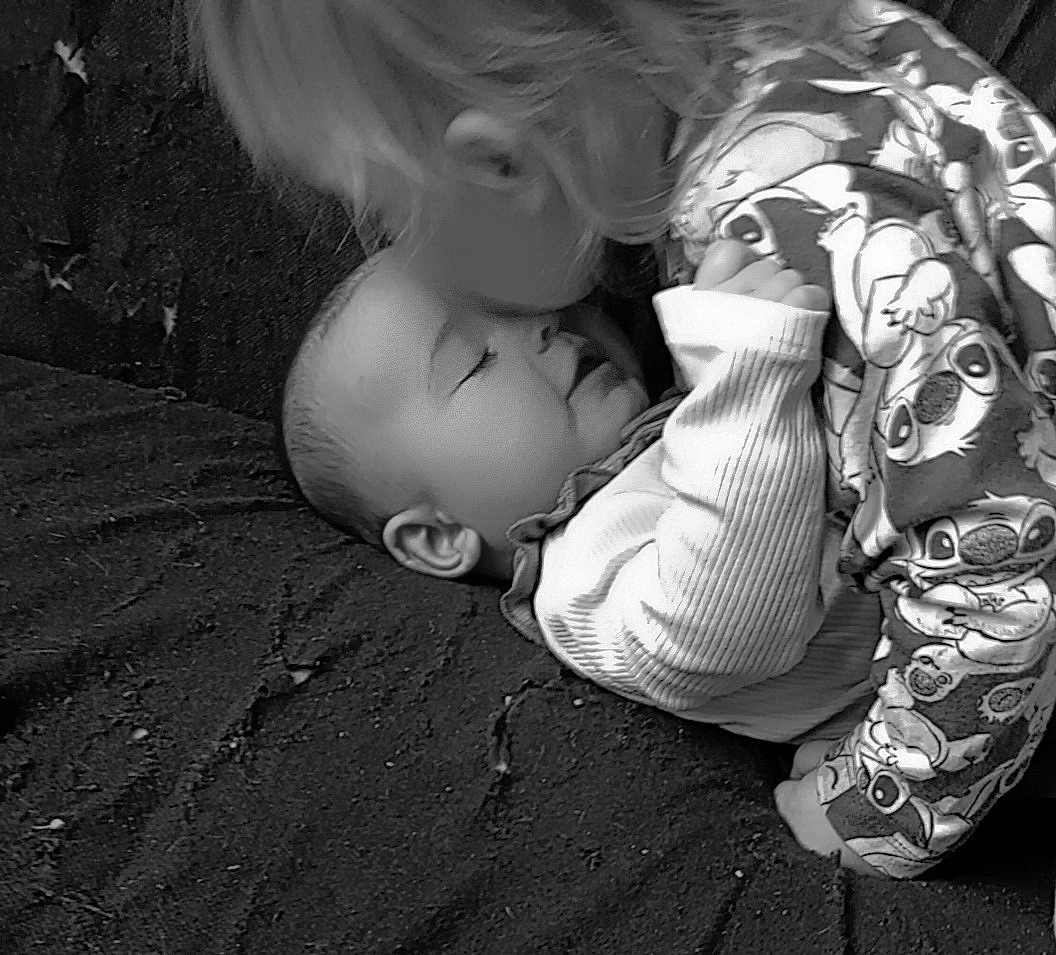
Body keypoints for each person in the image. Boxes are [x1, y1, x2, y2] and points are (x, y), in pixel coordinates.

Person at [193, 0, 1056, 878]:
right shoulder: (581, 570)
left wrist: (886, 803)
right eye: (475, 361)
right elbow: (714, 631)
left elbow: (998, 570)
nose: (536, 327)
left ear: (500, 161)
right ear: (434, 536)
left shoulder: (788, 233)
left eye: (387, 217)